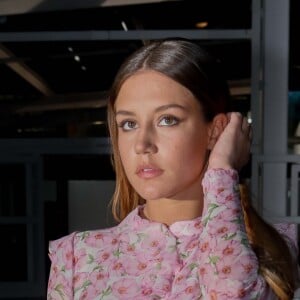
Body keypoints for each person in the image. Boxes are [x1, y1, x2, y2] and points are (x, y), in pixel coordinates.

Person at [47, 38, 299, 299]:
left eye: (167, 120)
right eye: (129, 124)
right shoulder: (78, 257)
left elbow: (233, 292)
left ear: (215, 131)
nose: (142, 144)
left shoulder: (274, 247)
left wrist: (222, 172)